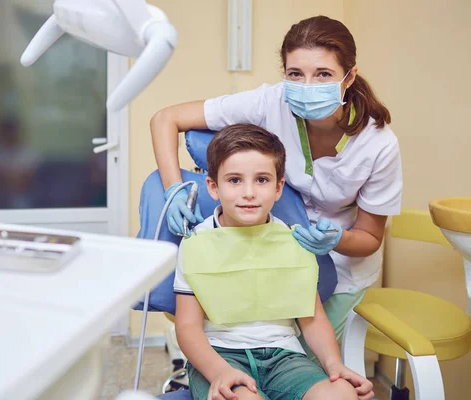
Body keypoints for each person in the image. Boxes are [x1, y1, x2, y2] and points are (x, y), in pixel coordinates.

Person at [151, 15, 403, 350]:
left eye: (323, 74)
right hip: (269, 252)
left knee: (311, 366)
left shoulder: (379, 144)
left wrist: (334, 239)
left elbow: (370, 236)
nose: (307, 86)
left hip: (341, 268)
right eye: (295, 74)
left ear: (349, 76)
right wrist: (174, 188)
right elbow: (166, 118)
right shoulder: (272, 102)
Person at [174, 124, 373, 400]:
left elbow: (312, 319)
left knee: (341, 394)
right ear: (213, 187)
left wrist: (334, 365)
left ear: (278, 188)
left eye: (262, 180)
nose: (248, 192)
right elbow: (187, 327)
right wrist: (219, 371)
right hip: (219, 355)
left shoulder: (294, 241)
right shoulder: (195, 244)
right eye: (234, 180)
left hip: (285, 357)